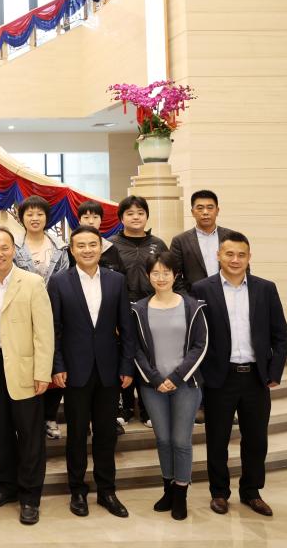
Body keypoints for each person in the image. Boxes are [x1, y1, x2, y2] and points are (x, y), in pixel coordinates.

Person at [192, 232, 287, 517]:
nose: (235, 260)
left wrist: (274, 371)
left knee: (256, 440)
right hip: (219, 378)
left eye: (241, 255)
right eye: (229, 254)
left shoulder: (265, 289)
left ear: (249, 257)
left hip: (256, 378)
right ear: (218, 256)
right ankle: (219, 493)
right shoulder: (201, 289)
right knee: (217, 439)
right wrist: (202, 375)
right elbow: (195, 336)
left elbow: (280, 335)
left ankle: (251, 492)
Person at [49, 225, 135, 519]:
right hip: (75, 370)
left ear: (100, 248)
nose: (87, 250)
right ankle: (77, 490)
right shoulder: (59, 282)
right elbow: (54, 329)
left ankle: (107, 490)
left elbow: (126, 327)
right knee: (76, 434)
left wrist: (127, 365)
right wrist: (58, 365)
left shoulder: (116, 280)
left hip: (109, 370)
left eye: (92, 245)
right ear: (72, 250)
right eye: (81, 246)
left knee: (106, 434)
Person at [0, 227, 54, 525]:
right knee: (1, 432)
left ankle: (30, 496)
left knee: (30, 435)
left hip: (24, 366)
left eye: (4, 248)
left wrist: (43, 371)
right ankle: (6, 486)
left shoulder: (32, 282)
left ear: (13, 249)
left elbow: (44, 332)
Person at [131, 251, 208, 521]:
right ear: (148, 276)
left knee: (180, 441)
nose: (161, 277)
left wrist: (176, 378)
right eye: (155, 273)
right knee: (163, 439)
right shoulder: (139, 309)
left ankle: (181, 494)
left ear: (176, 275)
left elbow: (200, 345)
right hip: (153, 387)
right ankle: (168, 489)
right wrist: (154, 379)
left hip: (186, 385)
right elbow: (135, 349)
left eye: (166, 272)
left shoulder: (192, 306)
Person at [12, 196, 69, 441]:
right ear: (22, 218)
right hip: (22, 313)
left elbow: (64, 279)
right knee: (28, 363)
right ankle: (30, 418)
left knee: (53, 362)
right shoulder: (14, 246)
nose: (34, 218)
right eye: (29, 214)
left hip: (54, 312)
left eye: (40, 214)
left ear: (47, 218)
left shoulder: (60, 247)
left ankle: (49, 416)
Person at [109, 195, 167, 429]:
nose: (136, 217)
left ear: (147, 216)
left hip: (152, 309)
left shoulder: (158, 244)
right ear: (121, 217)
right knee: (123, 357)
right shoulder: (110, 245)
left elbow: (168, 276)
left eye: (140, 213)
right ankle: (124, 407)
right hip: (121, 309)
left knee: (149, 358)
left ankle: (147, 409)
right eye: (130, 213)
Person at [170, 190, 237, 293]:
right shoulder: (180, 241)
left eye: (210, 207)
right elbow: (174, 276)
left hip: (229, 294)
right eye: (200, 208)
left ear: (217, 211)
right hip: (195, 297)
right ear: (192, 212)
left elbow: (243, 268)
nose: (205, 212)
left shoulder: (232, 237)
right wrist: (188, 299)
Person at [75, 200, 124, 274]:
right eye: (86, 217)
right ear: (79, 221)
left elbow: (120, 276)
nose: (91, 221)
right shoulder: (71, 249)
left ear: (101, 220)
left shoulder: (110, 248)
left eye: (95, 217)